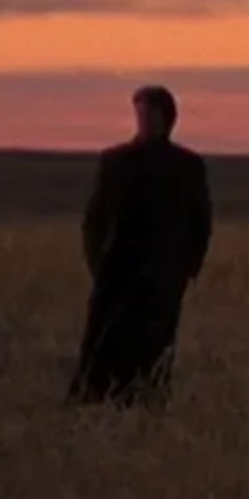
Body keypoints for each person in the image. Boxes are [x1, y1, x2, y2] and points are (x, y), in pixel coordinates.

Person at [66, 85, 213, 408]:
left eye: (151, 114)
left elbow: (200, 223)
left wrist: (185, 270)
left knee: (155, 348)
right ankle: (93, 406)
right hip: (116, 273)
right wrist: (99, 265)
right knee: (103, 346)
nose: (144, 121)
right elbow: (94, 221)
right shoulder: (116, 162)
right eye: (140, 114)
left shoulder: (186, 166)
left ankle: (147, 407)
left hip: (162, 276)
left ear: (168, 119)